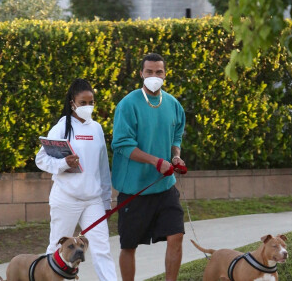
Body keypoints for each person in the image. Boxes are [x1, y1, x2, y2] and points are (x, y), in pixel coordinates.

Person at [111, 53, 186, 281]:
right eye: (150, 72)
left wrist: (175, 157)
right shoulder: (127, 104)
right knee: (129, 245)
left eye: (159, 72)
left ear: (165, 74)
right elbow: (122, 145)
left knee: (176, 235)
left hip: (165, 187)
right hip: (135, 190)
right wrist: (156, 161)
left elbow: (177, 135)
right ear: (141, 74)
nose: (154, 76)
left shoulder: (173, 104)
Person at [35, 78, 117, 281]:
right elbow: (41, 159)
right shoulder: (61, 128)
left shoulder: (96, 128)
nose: (88, 107)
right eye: (83, 103)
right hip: (66, 199)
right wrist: (64, 163)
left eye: (91, 103)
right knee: (56, 247)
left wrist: (106, 201)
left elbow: (103, 168)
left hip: (93, 200)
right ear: (72, 103)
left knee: (101, 248)